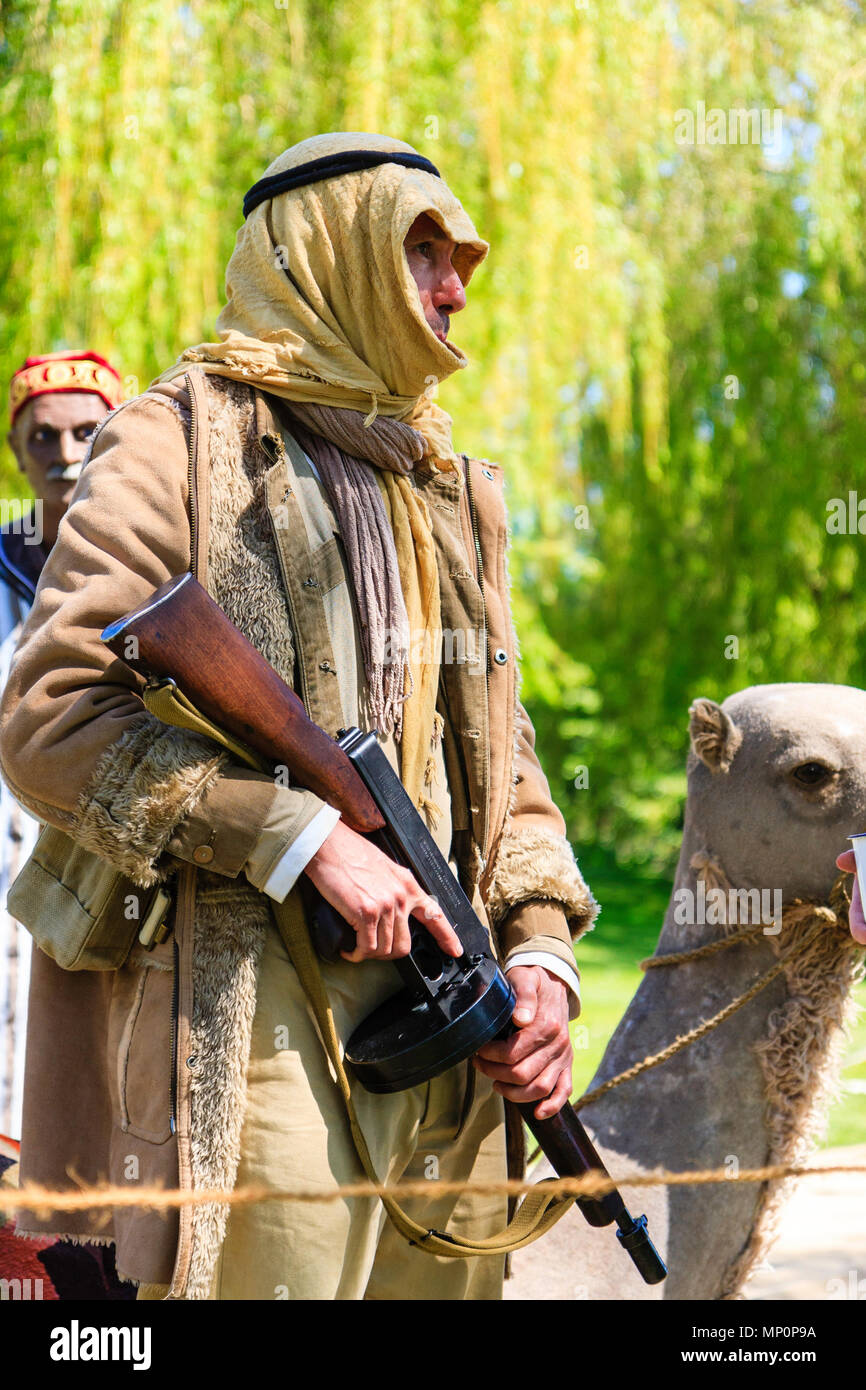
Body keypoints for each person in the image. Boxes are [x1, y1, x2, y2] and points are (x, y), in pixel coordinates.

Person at [0, 133, 598, 1300]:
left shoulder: (452, 487)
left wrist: (539, 963)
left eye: (460, 255)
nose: (455, 284)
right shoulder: (173, 438)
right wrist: (301, 838)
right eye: (420, 247)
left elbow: (507, 769)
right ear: (327, 251)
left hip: (450, 1010)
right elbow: (50, 717)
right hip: (241, 1004)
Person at [1, 350, 122, 1138]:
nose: (65, 454)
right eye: (42, 437)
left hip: (101, 864)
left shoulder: (143, 561)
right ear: (15, 449)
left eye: (86, 430)